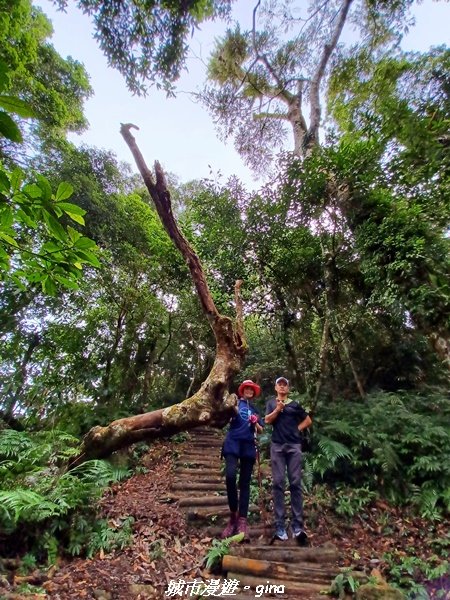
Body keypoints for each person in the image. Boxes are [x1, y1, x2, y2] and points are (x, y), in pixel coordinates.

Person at [265, 376, 312, 544]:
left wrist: (296, 430)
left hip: (293, 446)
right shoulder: (271, 403)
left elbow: (308, 420)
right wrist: (278, 409)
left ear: (288, 388)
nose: (283, 387)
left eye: (285, 385)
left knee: (295, 483)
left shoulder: (294, 404)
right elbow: (267, 420)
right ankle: (280, 526)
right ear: (276, 387)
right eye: (280, 384)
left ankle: (298, 526)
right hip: (277, 446)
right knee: (278, 483)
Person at [221, 379, 263, 541]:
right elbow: (225, 416)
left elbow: (260, 430)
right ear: (242, 390)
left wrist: (255, 423)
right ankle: (233, 516)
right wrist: (232, 409)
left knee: (245, 483)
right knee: (230, 476)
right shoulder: (235, 403)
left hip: (248, 445)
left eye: (252, 390)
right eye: (247, 388)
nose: (249, 391)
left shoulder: (254, 409)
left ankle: (242, 522)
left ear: (253, 393)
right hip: (233, 442)